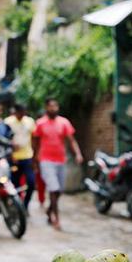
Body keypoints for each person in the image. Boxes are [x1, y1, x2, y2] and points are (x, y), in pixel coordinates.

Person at [32, 98, 83, 230]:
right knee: (53, 189)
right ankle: (56, 219)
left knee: (59, 190)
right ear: (46, 107)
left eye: (56, 106)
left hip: (60, 160)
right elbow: (35, 143)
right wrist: (34, 160)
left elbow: (71, 140)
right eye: (51, 106)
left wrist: (78, 153)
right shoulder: (40, 123)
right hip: (45, 161)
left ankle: (49, 212)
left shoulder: (64, 122)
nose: (53, 108)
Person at [5, 104, 36, 211]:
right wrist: (11, 154)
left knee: (31, 183)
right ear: (16, 112)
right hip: (14, 158)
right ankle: (18, 207)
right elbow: (5, 139)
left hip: (27, 156)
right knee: (16, 184)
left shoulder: (30, 121)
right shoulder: (8, 122)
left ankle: (25, 204)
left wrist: (34, 157)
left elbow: (34, 138)